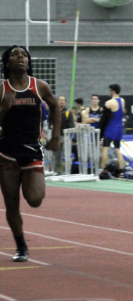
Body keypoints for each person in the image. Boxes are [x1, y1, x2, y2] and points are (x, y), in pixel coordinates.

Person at [0, 45, 61, 262]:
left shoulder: (39, 86)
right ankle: (21, 246)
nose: (20, 57)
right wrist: (3, 109)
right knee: (11, 202)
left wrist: (55, 137)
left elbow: (55, 107)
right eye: (15, 55)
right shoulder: (2, 89)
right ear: (7, 63)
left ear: (28, 61)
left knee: (35, 199)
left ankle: (29, 178)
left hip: (31, 150)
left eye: (24, 55)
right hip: (7, 152)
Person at [99, 84, 125, 177]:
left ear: (113, 91)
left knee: (105, 148)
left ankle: (103, 169)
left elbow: (104, 119)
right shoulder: (122, 101)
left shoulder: (109, 102)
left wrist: (100, 131)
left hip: (111, 128)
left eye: (110, 91)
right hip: (119, 129)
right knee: (118, 149)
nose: (109, 92)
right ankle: (121, 170)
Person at [50, 95, 74, 174]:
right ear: (57, 101)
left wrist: (69, 135)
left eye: (63, 100)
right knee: (56, 155)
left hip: (65, 137)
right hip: (56, 137)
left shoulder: (68, 112)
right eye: (60, 100)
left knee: (67, 155)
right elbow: (49, 121)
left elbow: (71, 125)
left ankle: (67, 171)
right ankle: (58, 171)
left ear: (65, 102)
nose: (62, 102)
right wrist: (51, 125)